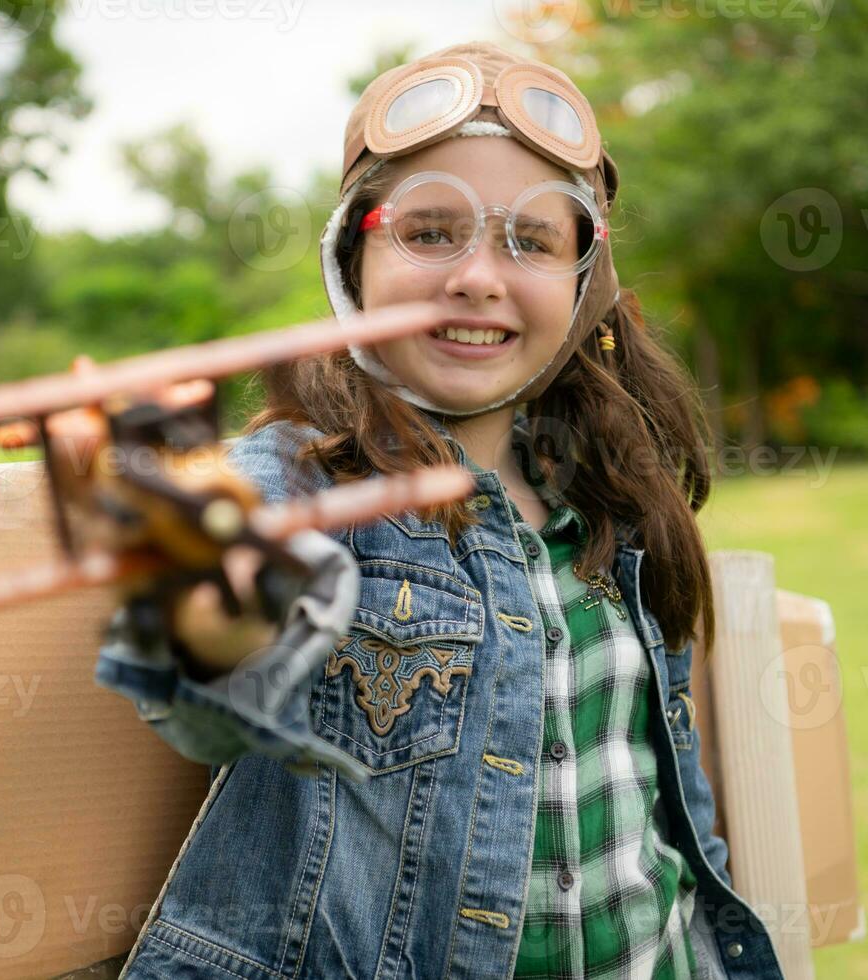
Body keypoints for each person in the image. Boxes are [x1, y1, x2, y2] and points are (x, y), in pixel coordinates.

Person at [95, 40, 788, 980]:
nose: (478, 276)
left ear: (584, 281)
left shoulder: (612, 497)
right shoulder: (299, 482)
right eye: (428, 232)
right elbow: (211, 696)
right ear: (354, 254)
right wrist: (191, 553)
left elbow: (667, 807)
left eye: (532, 239)